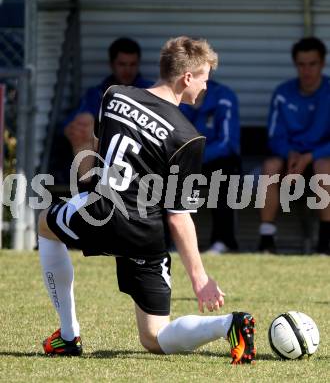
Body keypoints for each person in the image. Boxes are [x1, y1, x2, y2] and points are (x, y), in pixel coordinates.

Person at [38, 36, 256, 364]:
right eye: (204, 80)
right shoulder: (187, 138)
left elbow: (100, 145)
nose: (205, 88)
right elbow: (178, 215)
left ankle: (68, 336)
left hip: (100, 212)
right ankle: (229, 324)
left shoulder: (114, 96)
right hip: (143, 233)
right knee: (155, 338)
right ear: (187, 78)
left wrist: (89, 182)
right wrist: (200, 280)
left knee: (44, 225)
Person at [258, 36, 330, 254]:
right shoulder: (282, 93)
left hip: (321, 158)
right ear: (295, 65)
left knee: (324, 169)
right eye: (301, 64)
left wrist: (311, 155)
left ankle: (325, 242)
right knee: (270, 167)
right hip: (290, 159)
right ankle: (266, 240)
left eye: (312, 64)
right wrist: (290, 154)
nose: (307, 70)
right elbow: (274, 135)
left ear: (322, 63)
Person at [49, 37, 152, 183]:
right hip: (105, 154)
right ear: (111, 65)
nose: (128, 70)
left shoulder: (150, 92)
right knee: (82, 124)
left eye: (132, 64)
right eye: (122, 64)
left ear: (138, 64)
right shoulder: (96, 94)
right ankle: (88, 194)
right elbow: (68, 126)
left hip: (140, 152)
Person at [180, 80, 240, 254]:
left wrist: (198, 156)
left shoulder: (224, 96)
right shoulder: (176, 95)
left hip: (217, 159)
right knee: (170, 175)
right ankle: (172, 241)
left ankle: (223, 241)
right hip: (187, 159)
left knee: (223, 176)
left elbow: (228, 143)